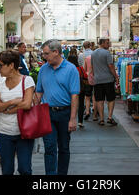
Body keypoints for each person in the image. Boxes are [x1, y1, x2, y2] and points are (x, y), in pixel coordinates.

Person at [36, 39, 80, 175]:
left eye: (46, 54)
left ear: (56, 52)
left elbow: (74, 95)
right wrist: (33, 111)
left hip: (64, 113)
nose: (44, 57)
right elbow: (39, 92)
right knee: (49, 147)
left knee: (63, 147)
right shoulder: (43, 69)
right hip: (47, 113)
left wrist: (73, 118)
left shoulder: (71, 69)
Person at [0, 50, 35, 175]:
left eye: (1, 65)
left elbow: (26, 104)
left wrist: (5, 109)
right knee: (7, 169)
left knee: (25, 169)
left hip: (24, 132)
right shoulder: (0, 83)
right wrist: (11, 102)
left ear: (11, 65)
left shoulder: (27, 81)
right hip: (4, 132)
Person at [91, 38, 119, 126]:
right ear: (102, 43)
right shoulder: (107, 53)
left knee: (100, 100)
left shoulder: (93, 53)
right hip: (108, 80)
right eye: (107, 43)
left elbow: (92, 67)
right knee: (111, 99)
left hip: (98, 80)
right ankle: (110, 117)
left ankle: (102, 119)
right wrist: (116, 76)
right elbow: (110, 66)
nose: (109, 44)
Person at [67, 55, 87, 128]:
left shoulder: (68, 69)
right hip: (80, 88)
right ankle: (80, 122)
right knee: (81, 105)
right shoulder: (80, 68)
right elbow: (85, 76)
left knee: (70, 104)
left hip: (70, 89)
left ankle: (70, 119)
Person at [83, 52, 99, 121]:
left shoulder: (87, 58)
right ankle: (95, 115)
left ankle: (87, 112)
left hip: (88, 79)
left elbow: (84, 69)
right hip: (97, 79)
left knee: (87, 97)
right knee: (95, 97)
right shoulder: (98, 58)